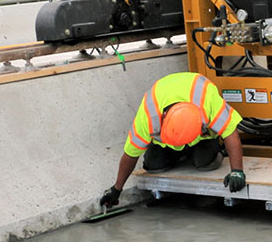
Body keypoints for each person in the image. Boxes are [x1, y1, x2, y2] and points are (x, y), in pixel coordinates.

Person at [100, 72, 246, 209]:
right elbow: (131, 153)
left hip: (201, 141)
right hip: (167, 145)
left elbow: (230, 132)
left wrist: (236, 171)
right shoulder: (148, 114)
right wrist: (116, 189)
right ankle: (179, 154)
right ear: (163, 118)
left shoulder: (206, 99)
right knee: (153, 166)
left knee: (206, 163)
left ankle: (209, 152)